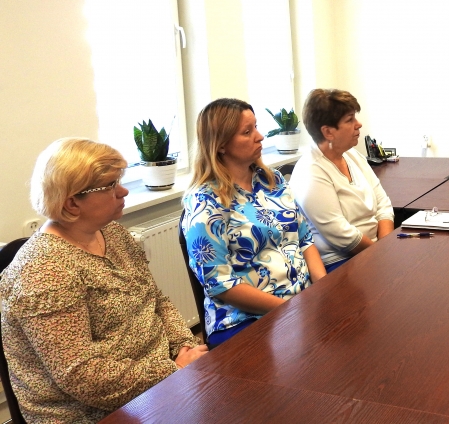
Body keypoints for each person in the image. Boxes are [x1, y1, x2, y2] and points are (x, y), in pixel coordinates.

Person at [0, 138, 207, 424]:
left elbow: (156, 300)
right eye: (110, 186)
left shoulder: (113, 233)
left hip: (156, 385)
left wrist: (185, 346)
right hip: (90, 413)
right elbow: (83, 377)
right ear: (72, 202)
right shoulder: (44, 272)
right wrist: (172, 371)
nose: (123, 191)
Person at [182, 98, 326, 348]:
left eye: (256, 127)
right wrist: (293, 310)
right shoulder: (205, 202)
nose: (259, 136)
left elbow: (304, 239)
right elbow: (221, 285)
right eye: (247, 132)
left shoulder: (273, 180)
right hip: (243, 319)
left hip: (301, 299)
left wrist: (323, 289)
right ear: (221, 145)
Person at [290, 89, 394, 273]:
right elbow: (342, 235)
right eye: (350, 119)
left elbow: (383, 204)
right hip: (340, 261)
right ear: (328, 132)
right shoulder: (310, 171)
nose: (358, 124)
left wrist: (385, 249)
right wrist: (382, 256)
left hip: (375, 250)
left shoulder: (352, 155)